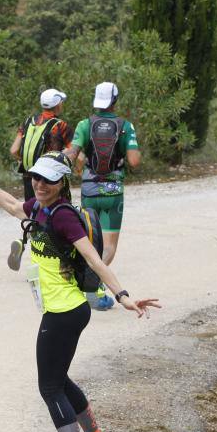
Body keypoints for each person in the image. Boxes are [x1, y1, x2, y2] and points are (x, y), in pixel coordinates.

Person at [0, 145, 159, 432]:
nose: (41, 184)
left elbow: (94, 260)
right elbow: (14, 205)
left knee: (49, 387)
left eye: (50, 180)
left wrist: (123, 297)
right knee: (61, 380)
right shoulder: (39, 209)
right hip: (65, 310)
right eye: (37, 178)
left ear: (63, 183)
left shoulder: (62, 215)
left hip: (64, 313)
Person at [66, 82, 141, 310]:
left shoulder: (84, 125)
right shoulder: (125, 126)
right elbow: (134, 161)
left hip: (89, 190)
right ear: (115, 100)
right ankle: (91, 287)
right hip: (113, 192)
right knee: (108, 247)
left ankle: (79, 286)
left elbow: (73, 156)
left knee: (88, 242)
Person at [10, 88, 74, 200]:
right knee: (54, 213)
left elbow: (14, 150)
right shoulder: (61, 126)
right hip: (50, 179)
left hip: (29, 177)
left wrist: (24, 159)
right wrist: (78, 169)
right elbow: (73, 151)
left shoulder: (27, 122)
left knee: (32, 213)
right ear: (58, 105)